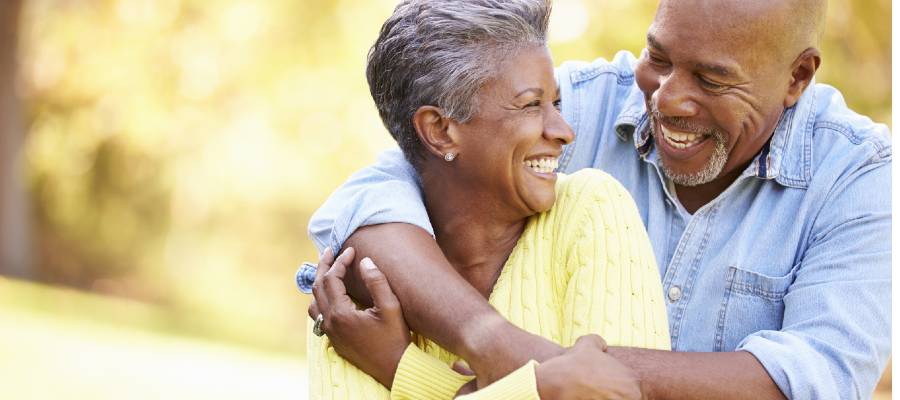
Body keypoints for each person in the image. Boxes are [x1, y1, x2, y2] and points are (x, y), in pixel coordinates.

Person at [306, 0, 892, 398]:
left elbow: (811, 382)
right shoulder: (581, 104)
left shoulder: (860, 178)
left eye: (712, 80)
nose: (669, 100)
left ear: (798, 77)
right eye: (658, 58)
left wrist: (528, 375)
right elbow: (375, 200)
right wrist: (494, 343)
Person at [304, 1, 671, 398]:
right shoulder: (355, 288)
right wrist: (542, 388)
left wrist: (404, 371)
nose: (564, 131)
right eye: (531, 104)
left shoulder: (591, 210)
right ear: (440, 130)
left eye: (557, 103)